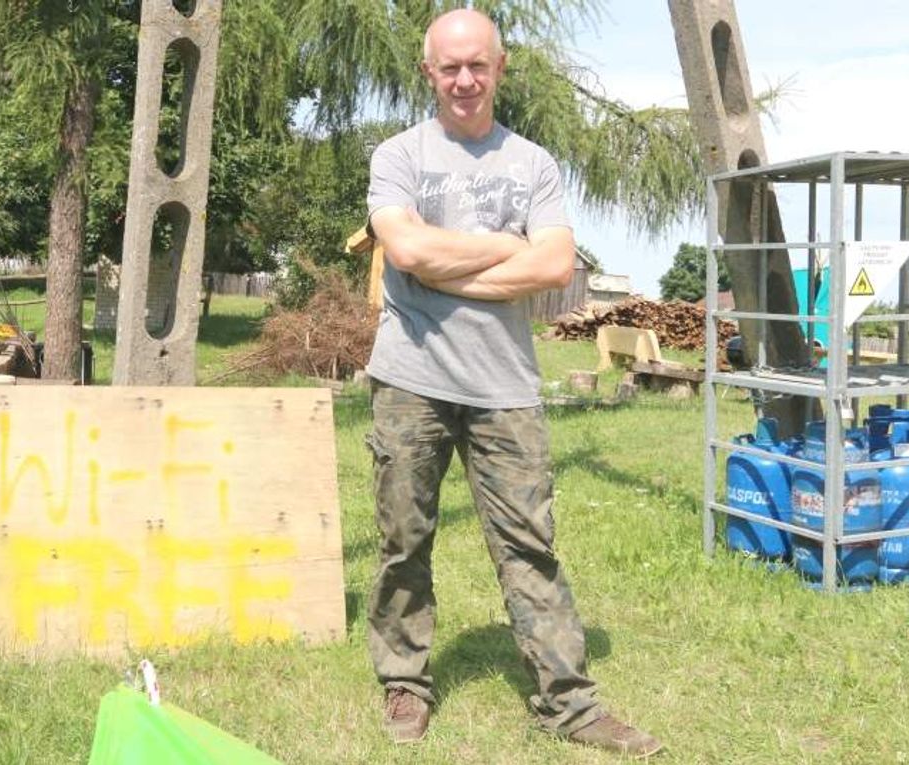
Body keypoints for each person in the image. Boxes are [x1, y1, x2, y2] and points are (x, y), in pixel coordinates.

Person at [363, 8, 662, 758]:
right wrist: (503, 247)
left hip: (506, 388)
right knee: (405, 538)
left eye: (477, 65)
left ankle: (569, 702)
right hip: (410, 379)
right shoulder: (396, 155)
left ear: (500, 68)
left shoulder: (533, 164)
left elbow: (554, 267)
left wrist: (444, 260)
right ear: (428, 73)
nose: (464, 79)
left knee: (530, 546)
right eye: (449, 67)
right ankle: (405, 677)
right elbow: (404, 248)